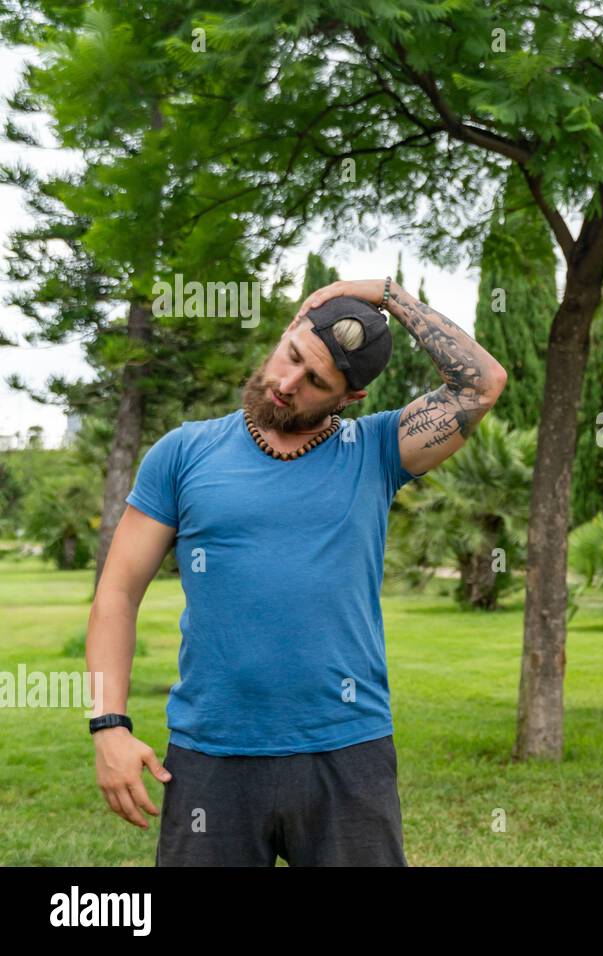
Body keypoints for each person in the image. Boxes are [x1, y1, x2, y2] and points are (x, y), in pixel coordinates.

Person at [86, 278, 507, 866]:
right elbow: (117, 595)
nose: (286, 385)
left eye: (316, 382)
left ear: (350, 397)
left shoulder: (377, 449)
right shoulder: (183, 454)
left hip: (348, 753)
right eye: (291, 357)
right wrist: (109, 725)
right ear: (287, 331)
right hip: (211, 756)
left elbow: (481, 384)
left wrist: (387, 294)